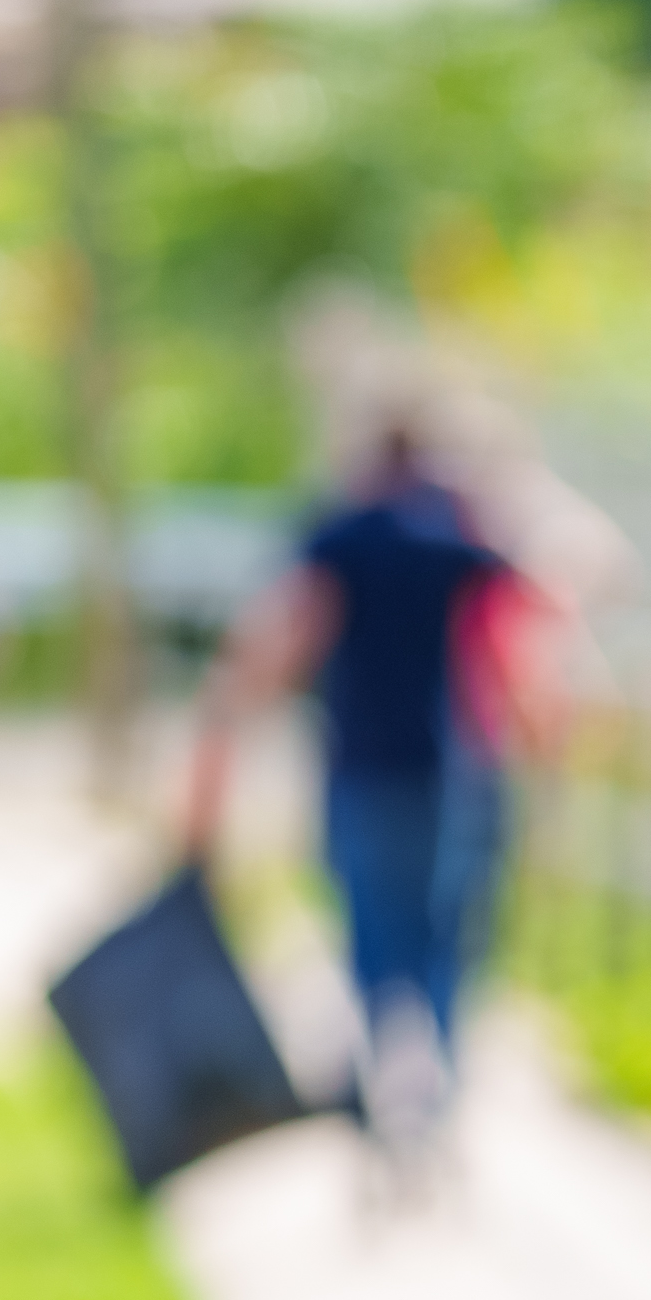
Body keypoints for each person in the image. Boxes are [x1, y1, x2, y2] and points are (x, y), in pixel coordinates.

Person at [178, 418, 522, 1167]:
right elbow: (546, 590)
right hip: (442, 771)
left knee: (372, 938)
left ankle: (379, 1083)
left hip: (358, 771)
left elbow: (286, 634)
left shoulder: (340, 536)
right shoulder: (449, 543)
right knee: (440, 941)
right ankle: (437, 1095)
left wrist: (227, 713)